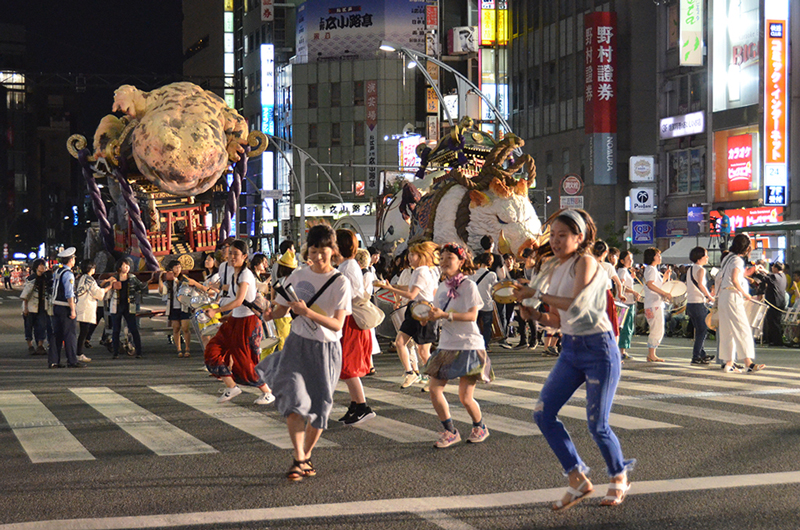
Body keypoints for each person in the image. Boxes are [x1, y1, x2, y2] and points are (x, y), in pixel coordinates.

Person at [515, 209, 635, 509]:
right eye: (552, 236)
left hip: (599, 350)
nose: (555, 241)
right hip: (570, 350)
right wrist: (534, 314)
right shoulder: (555, 268)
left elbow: (578, 305)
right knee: (543, 413)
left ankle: (619, 475)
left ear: (579, 237)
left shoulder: (586, 261)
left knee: (597, 425)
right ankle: (577, 477)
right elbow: (558, 319)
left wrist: (537, 295)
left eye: (563, 235)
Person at [256, 224, 351, 481]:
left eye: (323, 249)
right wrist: (270, 312)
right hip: (297, 345)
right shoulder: (297, 276)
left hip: (326, 350)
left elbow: (338, 324)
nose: (318, 255)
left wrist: (307, 312)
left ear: (333, 250)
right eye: (313, 248)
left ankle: (305, 456)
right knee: (296, 403)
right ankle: (299, 458)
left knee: (319, 409)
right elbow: (281, 310)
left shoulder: (341, 282)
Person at [424, 243, 493, 447]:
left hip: (469, 345)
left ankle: (479, 426)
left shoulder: (469, 286)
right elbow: (436, 313)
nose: (444, 262)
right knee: (434, 389)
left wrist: (445, 315)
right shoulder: (441, 287)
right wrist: (426, 317)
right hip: (446, 344)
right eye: (442, 258)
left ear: (461, 262)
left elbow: (472, 316)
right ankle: (450, 431)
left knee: (465, 397)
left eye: (450, 258)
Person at [204, 239, 276, 405]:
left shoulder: (245, 275)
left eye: (235, 254)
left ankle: (267, 392)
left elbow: (239, 301)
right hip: (235, 321)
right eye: (230, 253)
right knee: (212, 350)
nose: (231, 257)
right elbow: (238, 303)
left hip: (247, 323)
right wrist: (228, 317)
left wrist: (216, 311)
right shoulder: (234, 273)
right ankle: (231, 386)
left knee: (243, 362)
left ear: (244, 256)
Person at [378, 241, 440, 389]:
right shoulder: (427, 270)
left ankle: (433, 377)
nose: (409, 258)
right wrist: (394, 287)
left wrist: (390, 288)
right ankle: (411, 372)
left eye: (413, 255)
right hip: (418, 308)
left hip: (422, 310)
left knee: (422, 351)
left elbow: (412, 294)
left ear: (422, 256)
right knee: (401, 342)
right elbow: (421, 290)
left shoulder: (421, 271)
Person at [335, 229, 376, 425]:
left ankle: (362, 406)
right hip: (347, 319)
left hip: (350, 320)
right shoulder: (346, 265)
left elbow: (349, 294)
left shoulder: (348, 266)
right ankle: (355, 404)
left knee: (348, 366)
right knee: (345, 366)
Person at [716, 234, 766, 373]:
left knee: (727, 330)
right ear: (746, 247)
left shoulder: (727, 258)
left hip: (723, 296)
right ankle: (748, 363)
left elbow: (727, 276)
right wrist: (745, 294)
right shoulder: (738, 260)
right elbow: (735, 278)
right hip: (733, 296)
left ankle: (729, 363)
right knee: (742, 328)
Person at [159, 259, 208, 357]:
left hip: (184, 307)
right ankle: (179, 349)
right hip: (173, 307)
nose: (178, 269)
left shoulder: (184, 279)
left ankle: (187, 348)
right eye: (176, 267)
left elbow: (192, 287)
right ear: (171, 269)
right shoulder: (168, 282)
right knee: (176, 328)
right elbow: (162, 291)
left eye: (179, 267)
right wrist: (160, 278)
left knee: (185, 328)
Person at [49, 247, 84, 369]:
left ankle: (54, 361)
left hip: (56, 306)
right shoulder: (68, 274)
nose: (74, 260)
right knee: (70, 335)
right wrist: (73, 309)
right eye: (73, 258)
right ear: (70, 260)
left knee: (56, 335)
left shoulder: (58, 272)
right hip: (65, 307)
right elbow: (69, 293)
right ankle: (72, 360)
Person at [75, 259, 113, 363]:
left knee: (83, 331)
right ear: (91, 268)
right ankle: (79, 353)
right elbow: (97, 292)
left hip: (81, 305)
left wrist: (104, 282)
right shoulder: (89, 279)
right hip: (86, 307)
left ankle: (79, 352)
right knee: (84, 332)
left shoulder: (83, 278)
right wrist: (109, 287)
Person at [108, 257, 147, 359]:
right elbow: (105, 288)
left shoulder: (132, 278)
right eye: (125, 265)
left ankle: (139, 351)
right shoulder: (114, 278)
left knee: (133, 328)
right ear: (120, 267)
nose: (127, 267)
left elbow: (141, 287)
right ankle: (115, 352)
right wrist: (109, 283)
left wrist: (150, 281)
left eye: (128, 266)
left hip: (130, 306)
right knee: (116, 329)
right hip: (116, 305)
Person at [685, 247, 715, 364]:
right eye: (705, 255)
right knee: (702, 330)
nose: (707, 258)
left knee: (699, 329)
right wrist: (709, 296)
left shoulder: (689, 269)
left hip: (690, 303)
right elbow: (701, 285)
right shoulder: (701, 270)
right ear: (699, 258)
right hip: (698, 303)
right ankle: (696, 355)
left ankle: (702, 354)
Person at [642, 248, 672, 362]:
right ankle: (651, 354)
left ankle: (652, 353)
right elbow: (650, 285)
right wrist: (664, 293)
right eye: (658, 255)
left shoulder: (652, 269)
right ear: (652, 257)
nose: (660, 257)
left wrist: (664, 277)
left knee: (656, 328)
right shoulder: (651, 269)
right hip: (654, 304)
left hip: (652, 303)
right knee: (657, 329)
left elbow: (655, 285)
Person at [356, 248, 380, 375]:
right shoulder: (365, 273)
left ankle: (369, 364)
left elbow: (367, 292)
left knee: (366, 335)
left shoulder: (366, 274)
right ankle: (368, 364)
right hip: (363, 305)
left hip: (363, 306)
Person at [20, 259, 51, 356]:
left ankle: (40, 346)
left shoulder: (45, 278)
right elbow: (25, 295)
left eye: (44, 265)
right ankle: (30, 346)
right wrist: (25, 308)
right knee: (29, 327)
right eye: (41, 265)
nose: (43, 267)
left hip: (42, 307)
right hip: (30, 307)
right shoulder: (31, 279)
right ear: (36, 267)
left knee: (41, 326)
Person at [470, 252, 498, 349]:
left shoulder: (473, 274)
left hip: (475, 303)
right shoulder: (492, 275)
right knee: (487, 326)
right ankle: (485, 345)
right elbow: (495, 288)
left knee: (475, 325)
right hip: (487, 303)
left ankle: (475, 344)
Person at [615, 251, 640, 360]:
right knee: (625, 327)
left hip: (626, 302)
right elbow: (622, 285)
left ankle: (621, 350)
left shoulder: (625, 271)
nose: (631, 261)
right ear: (622, 261)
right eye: (629, 259)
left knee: (624, 326)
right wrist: (633, 292)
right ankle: (621, 350)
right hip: (625, 303)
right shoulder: (622, 271)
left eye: (632, 259)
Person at [762, 261, 787, 347]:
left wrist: (762, 271)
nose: (772, 269)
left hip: (775, 303)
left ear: (776, 268)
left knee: (774, 323)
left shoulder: (778, 277)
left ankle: (777, 341)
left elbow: (769, 277)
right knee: (774, 322)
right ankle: (772, 339)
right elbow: (769, 277)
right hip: (778, 303)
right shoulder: (783, 276)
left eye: (773, 267)